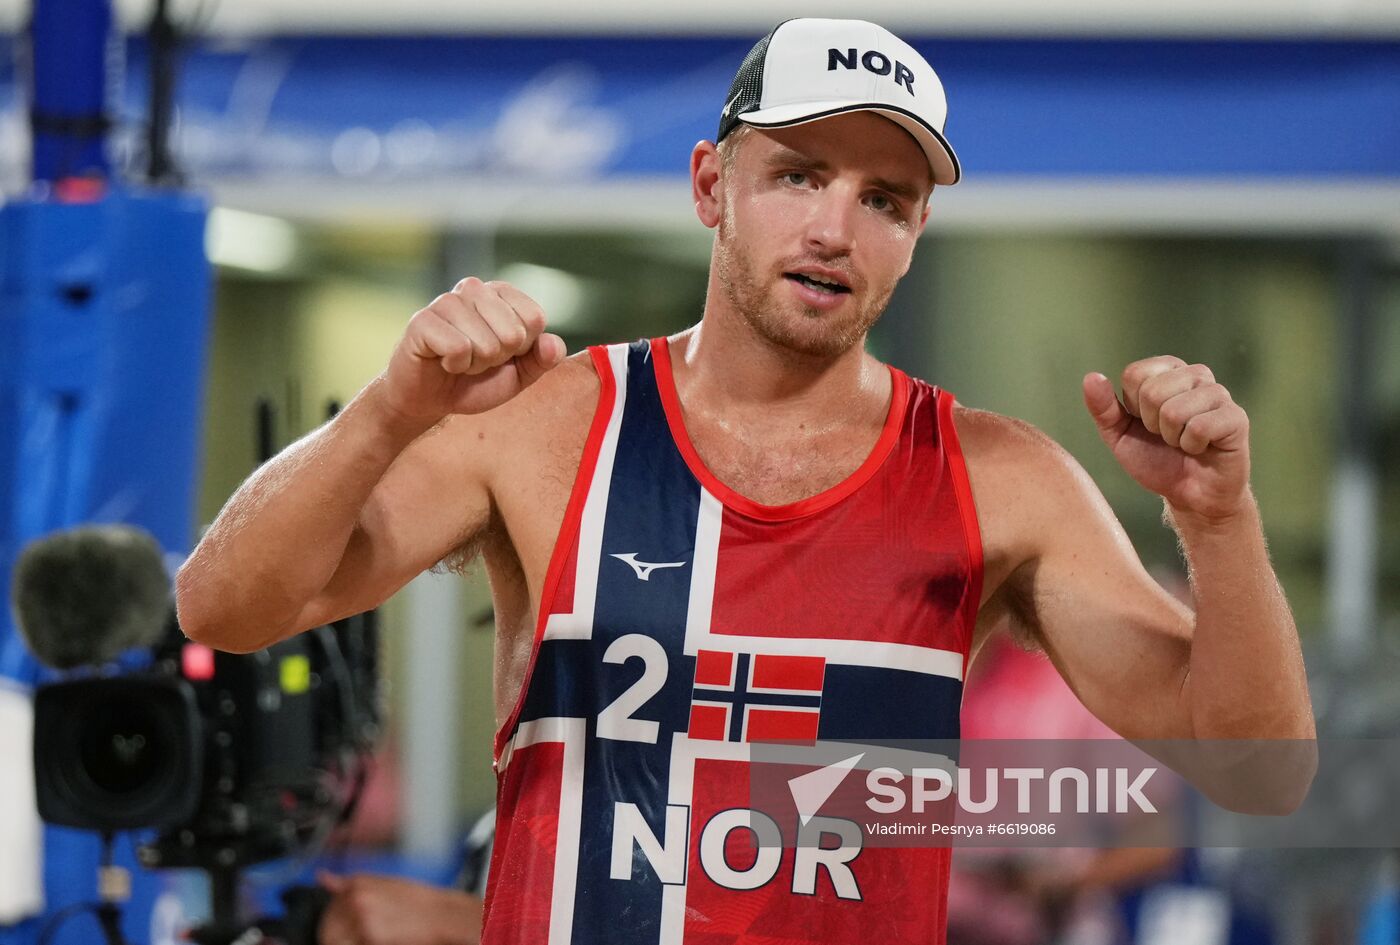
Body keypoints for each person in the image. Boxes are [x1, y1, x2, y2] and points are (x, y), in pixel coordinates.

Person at [177, 17, 1315, 945]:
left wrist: (1216, 518)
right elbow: (225, 608)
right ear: (710, 184)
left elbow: (1258, 774)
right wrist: (389, 410)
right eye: (798, 176)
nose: (834, 229)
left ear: (916, 230)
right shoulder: (548, 425)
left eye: (883, 199)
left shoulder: (999, 478)